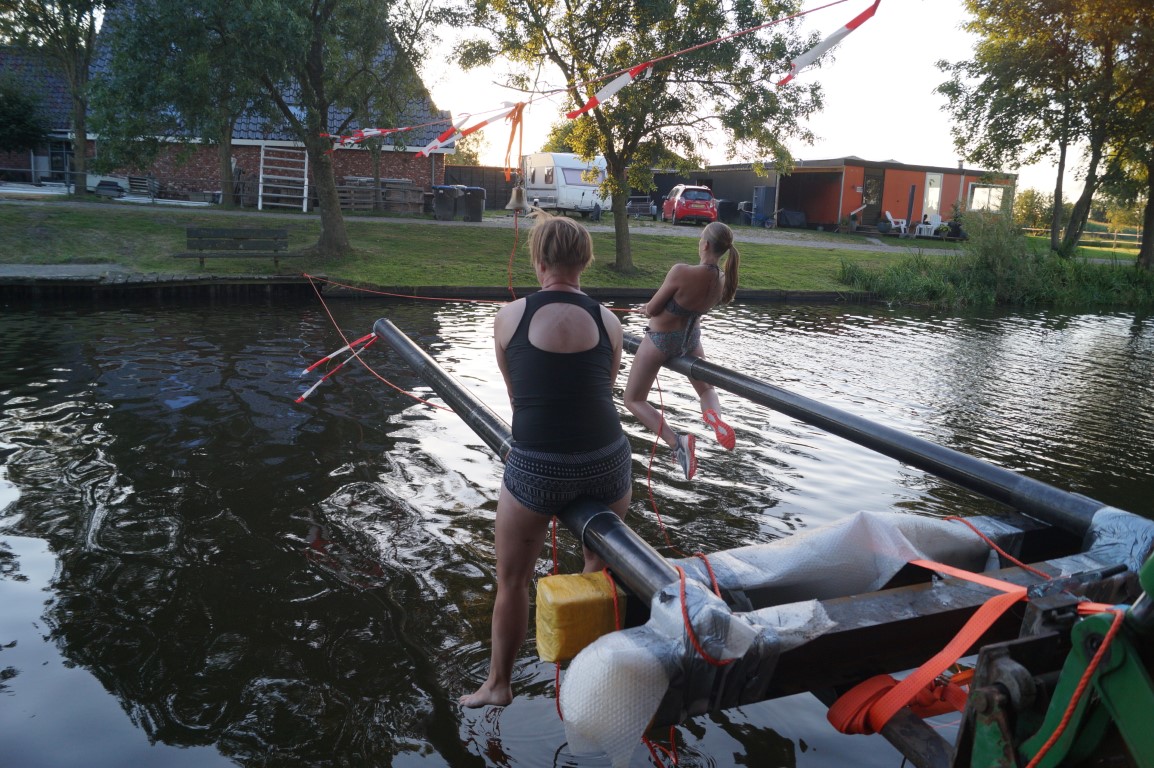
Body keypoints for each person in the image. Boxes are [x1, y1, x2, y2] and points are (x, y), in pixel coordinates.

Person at [460, 212, 632, 709]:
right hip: (607, 462)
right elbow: (603, 388)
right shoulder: (609, 320)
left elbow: (518, 396)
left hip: (538, 465)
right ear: (585, 262)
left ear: (538, 259)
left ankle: (499, 684)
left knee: (513, 580)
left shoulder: (509, 317)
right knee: (597, 572)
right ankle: (592, 679)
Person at [624, 221, 740, 480]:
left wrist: (646, 309)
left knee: (633, 399)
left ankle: (677, 442)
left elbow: (653, 309)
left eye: (701, 238)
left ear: (706, 245)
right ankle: (714, 418)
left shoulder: (681, 271)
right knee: (706, 390)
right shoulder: (722, 279)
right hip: (690, 340)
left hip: (661, 340)